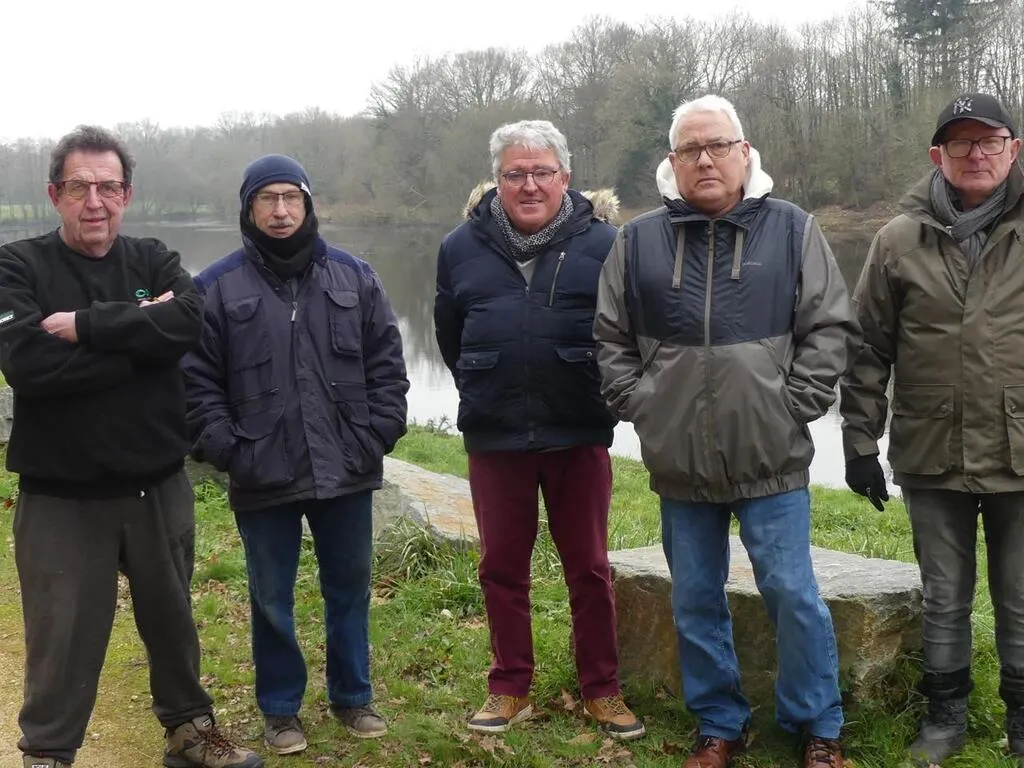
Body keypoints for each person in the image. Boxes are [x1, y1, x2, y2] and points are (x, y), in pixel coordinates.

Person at [593, 95, 861, 768]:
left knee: (793, 593)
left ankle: (818, 725)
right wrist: (643, 404)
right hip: (679, 460)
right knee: (694, 599)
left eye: (718, 146)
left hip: (771, 455)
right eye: (691, 150)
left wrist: (792, 402)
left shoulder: (793, 229)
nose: (705, 160)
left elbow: (829, 327)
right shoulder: (638, 240)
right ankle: (720, 724)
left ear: (746, 153)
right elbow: (610, 337)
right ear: (672, 163)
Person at [0, 126, 262, 768]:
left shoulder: (152, 259)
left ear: (128, 193)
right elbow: (29, 367)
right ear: (55, 194)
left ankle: (190, 734)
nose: (96, 201)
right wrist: (145, 347)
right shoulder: (17, 265)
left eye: (109, 186)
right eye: (80, 186)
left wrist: (87, 328)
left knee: (174, 622)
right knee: (60, 636)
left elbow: (190, 323)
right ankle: (48, 752)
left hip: (156, 483)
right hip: (62, 492)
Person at [182, 154, 409, 756]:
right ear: (248, 208)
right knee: (270, 596)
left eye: (292, 197)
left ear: (308, 205)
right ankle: (280, 710)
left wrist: (377, 432)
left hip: (348, 466)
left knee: (350, 587)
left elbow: (387, 362)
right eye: (267, 199)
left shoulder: (355, 276)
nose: (280, 211)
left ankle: (353, 697)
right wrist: (229, 448)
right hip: (262, 468)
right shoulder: (216, 287)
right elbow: (196, 382)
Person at [433, 119, 645, 741]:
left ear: (566, 178)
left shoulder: (606, 243)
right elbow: (449, 335)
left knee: (589, 566)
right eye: (515, 174)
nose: (529, 185)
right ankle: (509, 685)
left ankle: (602, 689)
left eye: (542, 172)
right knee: (502, 566)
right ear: (496, 181)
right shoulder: (458, 248)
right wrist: (485, 382)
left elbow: (629, 335)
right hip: (495, 433)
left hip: (578, 429)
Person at [839, 92, 1024, 766]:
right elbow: (866, 350)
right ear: (936, 156)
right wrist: (859, 442)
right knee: (944, 597)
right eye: (961, 143)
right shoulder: (896, 240)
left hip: (1020, 453)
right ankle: (944, 721)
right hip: (930, 452)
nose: (976, 154)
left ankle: (1022, 725)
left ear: (1014, 149)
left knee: (1022, 598)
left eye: (990, 141)